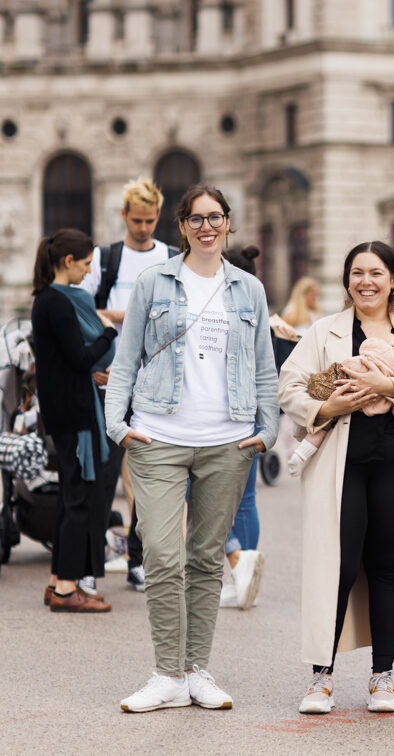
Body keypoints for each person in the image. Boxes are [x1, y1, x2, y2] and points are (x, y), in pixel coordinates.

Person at [105, 185, 278, 713]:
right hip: (158, 435)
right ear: (180, 226)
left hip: (226, 440)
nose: (207, 227)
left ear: (229, 224)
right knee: (160, 552)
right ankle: (166, 673)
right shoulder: (156, 281)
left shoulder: (248, 289)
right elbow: (127, 356)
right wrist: (118, 424)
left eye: (216, 217)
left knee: (205, 559)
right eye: (196, 219)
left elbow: (265, 366)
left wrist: (265, 430)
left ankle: (196, 671)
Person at [279, 241, 394, 715]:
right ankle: (321, 678)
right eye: (357, 273)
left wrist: (386, 385)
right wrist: (328, 405)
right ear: (347, 280)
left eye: (376, 272)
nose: (366, 281)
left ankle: (382, 677)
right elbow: (289, 386)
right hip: (342, 464)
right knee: (337, 566)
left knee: (388, 568)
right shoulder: (324, 331)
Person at [80, 177, 180, 593]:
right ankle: (91, 563)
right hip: (111, 378)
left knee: (149, 478)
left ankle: (138, 560)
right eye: (137, 220)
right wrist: (120, 322)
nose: (144, 228)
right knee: (104, 477)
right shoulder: (106, 259)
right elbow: (82, 311)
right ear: (124, 216)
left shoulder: (172, 258)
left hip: (155, 382)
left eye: (150, 220)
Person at [30, 229, 118, 613]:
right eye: (84, 265)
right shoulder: (60, 303)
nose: (87, 273)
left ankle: (56, 582)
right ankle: (67, 589)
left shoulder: (44, 301)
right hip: (75, 414)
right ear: (68, 262)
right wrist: (109, 333)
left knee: (70, 497)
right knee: (80, 498)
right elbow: (81, 359)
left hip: (60, 412)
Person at [288, 332, 394, 475]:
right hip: (347, 395)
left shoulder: (385, 350)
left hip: (333, 376)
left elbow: (367, 344)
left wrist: (390, 344)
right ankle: (299, 455)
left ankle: (301, 436)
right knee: (321, 429)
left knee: (318, 410)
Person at [216, 246, 267, 612]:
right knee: (246, 500)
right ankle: (244, 580)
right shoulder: (261, 310)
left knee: (195, 491)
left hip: (221, 416)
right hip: (250, 414)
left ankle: (236, 562)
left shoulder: (226, 310)